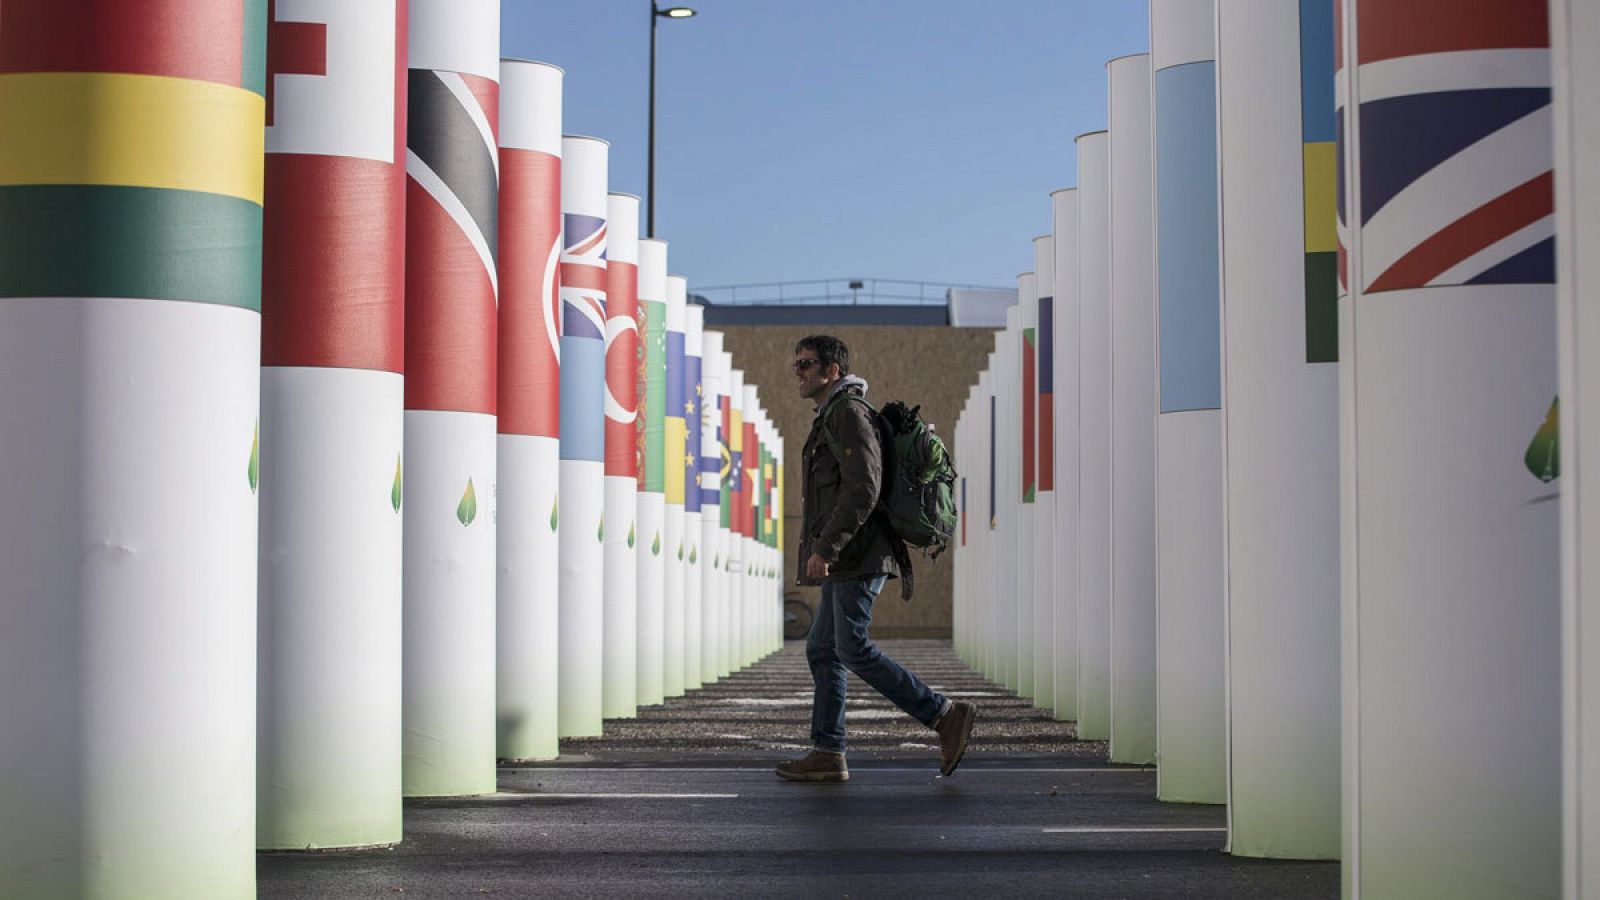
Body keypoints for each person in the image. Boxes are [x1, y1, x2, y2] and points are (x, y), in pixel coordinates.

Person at [776, 334, 976, 783]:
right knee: (822, 649)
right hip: (851, 555)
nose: (798, 372)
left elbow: (863, 487)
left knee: (851, 648)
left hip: (859, 555)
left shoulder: (848, 413)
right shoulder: (833, 414)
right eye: (796, 364)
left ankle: (944, 715)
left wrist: (827, 546)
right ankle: (828, 751)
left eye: (806, 364)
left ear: (832, 370)